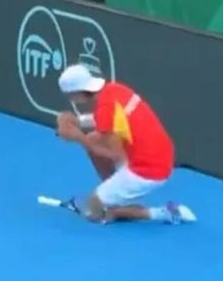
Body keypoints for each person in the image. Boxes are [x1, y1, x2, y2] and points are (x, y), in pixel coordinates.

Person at [56, 64, 196, 224]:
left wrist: (78, 137)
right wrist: (78, 121)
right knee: (95, 139)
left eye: (69, 96)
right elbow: (106, 121)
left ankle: (160, 213)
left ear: (77, 94)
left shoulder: (104, 107)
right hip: (160, 155)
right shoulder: (114, 90)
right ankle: (116, 195)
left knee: (94, 210)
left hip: (149, 169)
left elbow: (114, 153)